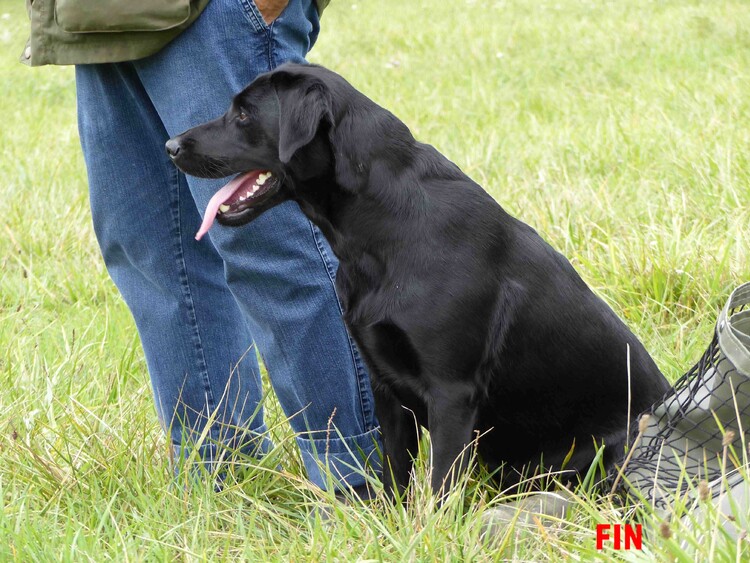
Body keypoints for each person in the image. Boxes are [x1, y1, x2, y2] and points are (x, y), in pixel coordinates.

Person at [22, 0, 381, 496]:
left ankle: (354, 477)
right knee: (152, 250)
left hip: (216, 14)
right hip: (99, 17)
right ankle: (219, 473)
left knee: (270, 243)